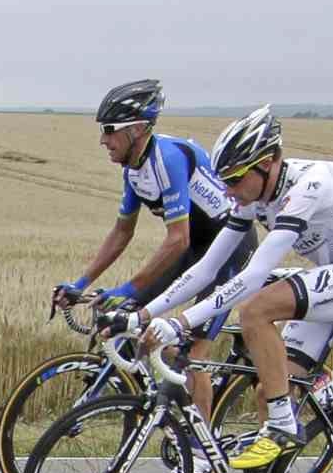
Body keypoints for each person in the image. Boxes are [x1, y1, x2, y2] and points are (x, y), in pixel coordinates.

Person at [140, 107, 333, 473]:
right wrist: (146, 314)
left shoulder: (308, 187)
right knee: (271, 388)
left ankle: (284, 424)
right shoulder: (255, 193)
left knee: (256, 311)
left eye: (234, 180)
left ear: (267, 164)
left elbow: (251, 276)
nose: (227, 190)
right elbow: (206, 269)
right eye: (224, 180)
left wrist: (180, 324)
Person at [55, 79, 231, 315]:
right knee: (129, 319)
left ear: (136, 129)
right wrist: (80, 285)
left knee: (192, 336)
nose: (103, 141)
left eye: (109, 130)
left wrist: (127, 289)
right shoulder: (134, 170)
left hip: (229, 245)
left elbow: (178, 239)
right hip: (193, 248)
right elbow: (122, 232)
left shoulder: (167, 160)